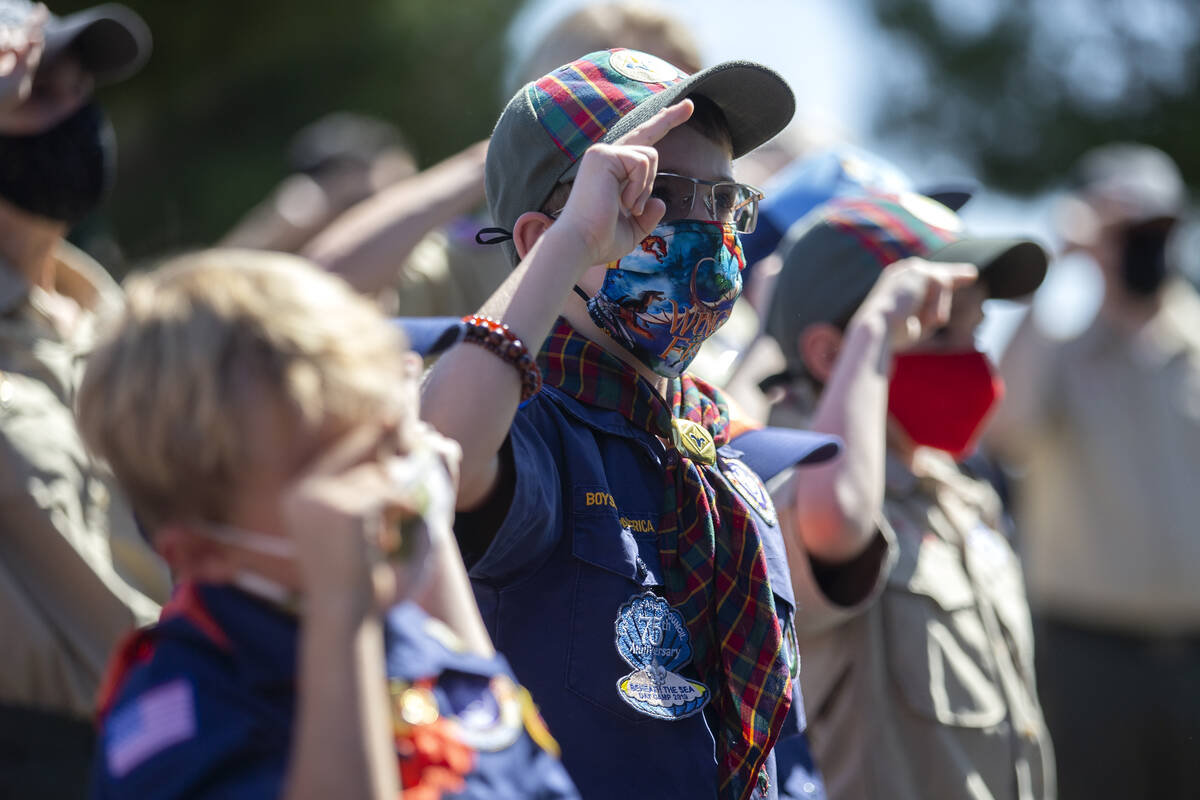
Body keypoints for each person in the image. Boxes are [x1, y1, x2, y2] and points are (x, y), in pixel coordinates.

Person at [420, 48, 848, 800]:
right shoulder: (528, 428)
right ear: (539, 240)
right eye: (650, 193)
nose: (704, 228)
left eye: (720, 199)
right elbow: (434, 457)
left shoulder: (724, 460)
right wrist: (575, 243)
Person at [80, 250, 579, 800]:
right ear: (201, 551)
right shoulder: (177, 707)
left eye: (391, 440)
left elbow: (519, 766)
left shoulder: (406, 627)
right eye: (346, 470)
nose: (394, 485)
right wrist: (345, 619)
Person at [759, 191, 1055, 799]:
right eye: (939, 332)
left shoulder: (959, 494)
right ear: (830, 353)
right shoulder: (793, 485)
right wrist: (875, 326)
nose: (974, 359)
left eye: (977, 329)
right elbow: (839, 517)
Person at [989, 143, 1200, 799]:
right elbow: (1009, 433)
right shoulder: (1057, 353)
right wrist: (1051, 266)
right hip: (1087, 659)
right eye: (1124, 230)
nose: (1143, 246)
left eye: (1155, 230)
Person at [0, 3, 166, 796]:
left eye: (79, 87)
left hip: (191, 732)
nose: (75, 111)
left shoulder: (115, 321)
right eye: (35, 93)